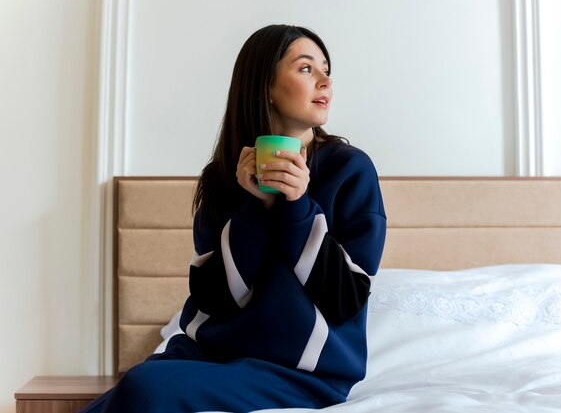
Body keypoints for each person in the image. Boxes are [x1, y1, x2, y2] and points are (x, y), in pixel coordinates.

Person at [80, 24, 386, 413]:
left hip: (303, 372)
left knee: (144, 389)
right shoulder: (223, 175)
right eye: (307, 68)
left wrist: (296, 205)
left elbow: (345, 300)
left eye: (327, 69)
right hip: (207, 355)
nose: (325, 80)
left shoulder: (350, 170)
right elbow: (214, 298)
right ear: (266, 88)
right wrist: (253, 207)